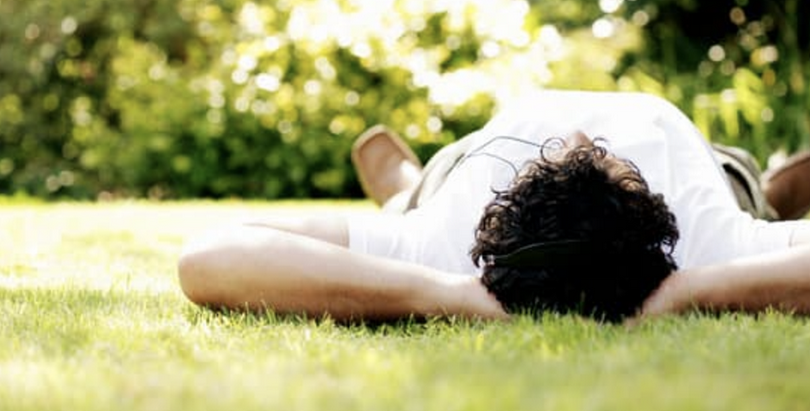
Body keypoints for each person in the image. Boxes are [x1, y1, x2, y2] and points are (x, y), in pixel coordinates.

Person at [177, 90, 810, 322]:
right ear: (646, 203)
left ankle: (404, 188)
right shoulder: (711, 241)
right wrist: (697, 286)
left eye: (554, 157)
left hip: (458, 171)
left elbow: (209, 257)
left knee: (422, 194)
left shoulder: (443, 243)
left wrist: (446, 294)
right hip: (711, 172)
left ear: (499, 210)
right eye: (605, 159)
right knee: (735, 181)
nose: (577, 134)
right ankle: (775, 197)